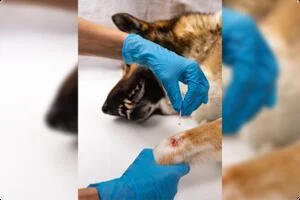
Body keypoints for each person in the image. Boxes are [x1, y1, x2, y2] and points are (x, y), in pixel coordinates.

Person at [222, 8, 278, 134]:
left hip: (261, 77)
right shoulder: (235, 24)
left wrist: (226, 120)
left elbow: (244, 76)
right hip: (261, 72)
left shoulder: (238, 27)